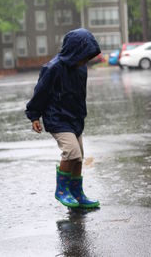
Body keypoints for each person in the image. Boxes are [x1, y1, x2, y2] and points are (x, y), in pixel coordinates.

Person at [25, 28, 101, 208]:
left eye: (88, 57)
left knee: (79, 156)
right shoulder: (53, 68)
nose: (85, 61)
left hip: (75, 118)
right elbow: (40, 93)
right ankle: (61, 190)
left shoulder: (81, 68)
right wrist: (34, 115)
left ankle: (77, 192)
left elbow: (79, 94)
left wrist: (81, 114)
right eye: (83, 56)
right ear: (74, 51)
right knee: (71, 152)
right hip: (57, 117)